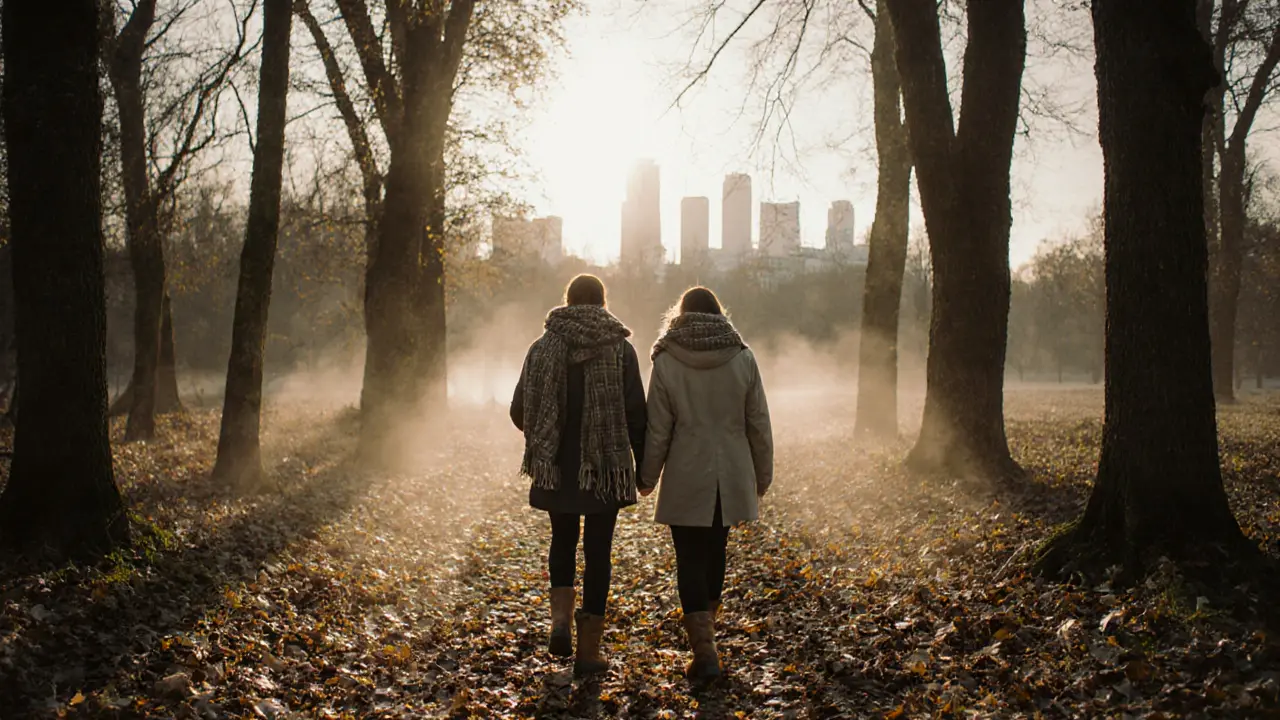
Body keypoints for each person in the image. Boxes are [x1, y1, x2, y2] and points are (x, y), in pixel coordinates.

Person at [510, 274, 647, 677]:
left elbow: (520, 411)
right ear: (603, 303)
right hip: (604, 472)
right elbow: (637, 415)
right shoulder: (621, 350)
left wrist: (544, 438)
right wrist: (642, 467)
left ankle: (558, 625)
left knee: (563, 541)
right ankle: (589, 652)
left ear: (567, 301)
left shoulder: (542, 348)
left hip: (558, 468)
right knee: (599, 552)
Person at [639, 286, 774, 681]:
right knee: (716, 553)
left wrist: (647, 477)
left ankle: (705, 650)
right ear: (719, 313)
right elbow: (759, 424)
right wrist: (761, 475)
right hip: (730, 472)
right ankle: (708, 648)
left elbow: (658, 430)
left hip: (686, 471)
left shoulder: (666, 360)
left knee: (688, 559)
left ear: (680, 314)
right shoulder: (742, 357)